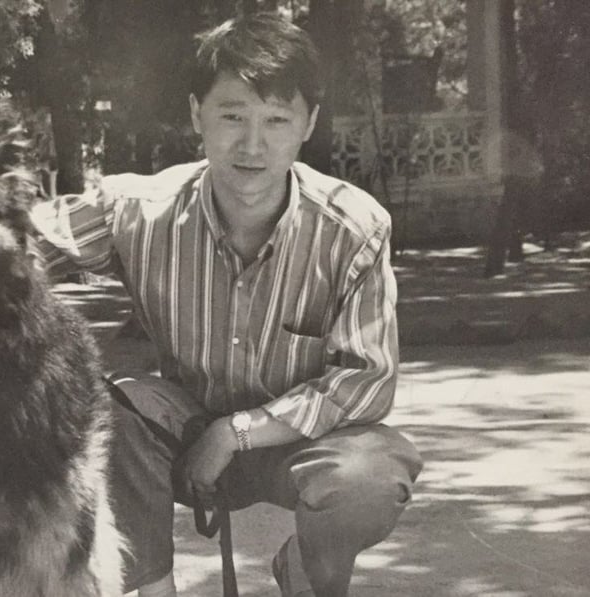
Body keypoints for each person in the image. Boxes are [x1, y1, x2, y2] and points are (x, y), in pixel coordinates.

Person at [29, 13, 422, 597]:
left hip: (303, 443)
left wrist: (235, 432)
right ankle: (152, 586)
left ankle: (308, 570)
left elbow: (366, 383)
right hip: (181, 426)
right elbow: (10, 245)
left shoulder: (353, 227)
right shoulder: (138, 210)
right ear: (196, 115)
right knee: (102, 411)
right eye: (232, 115)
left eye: (276, 120)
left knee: (366, 479)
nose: (252, 145)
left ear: (308, 123)